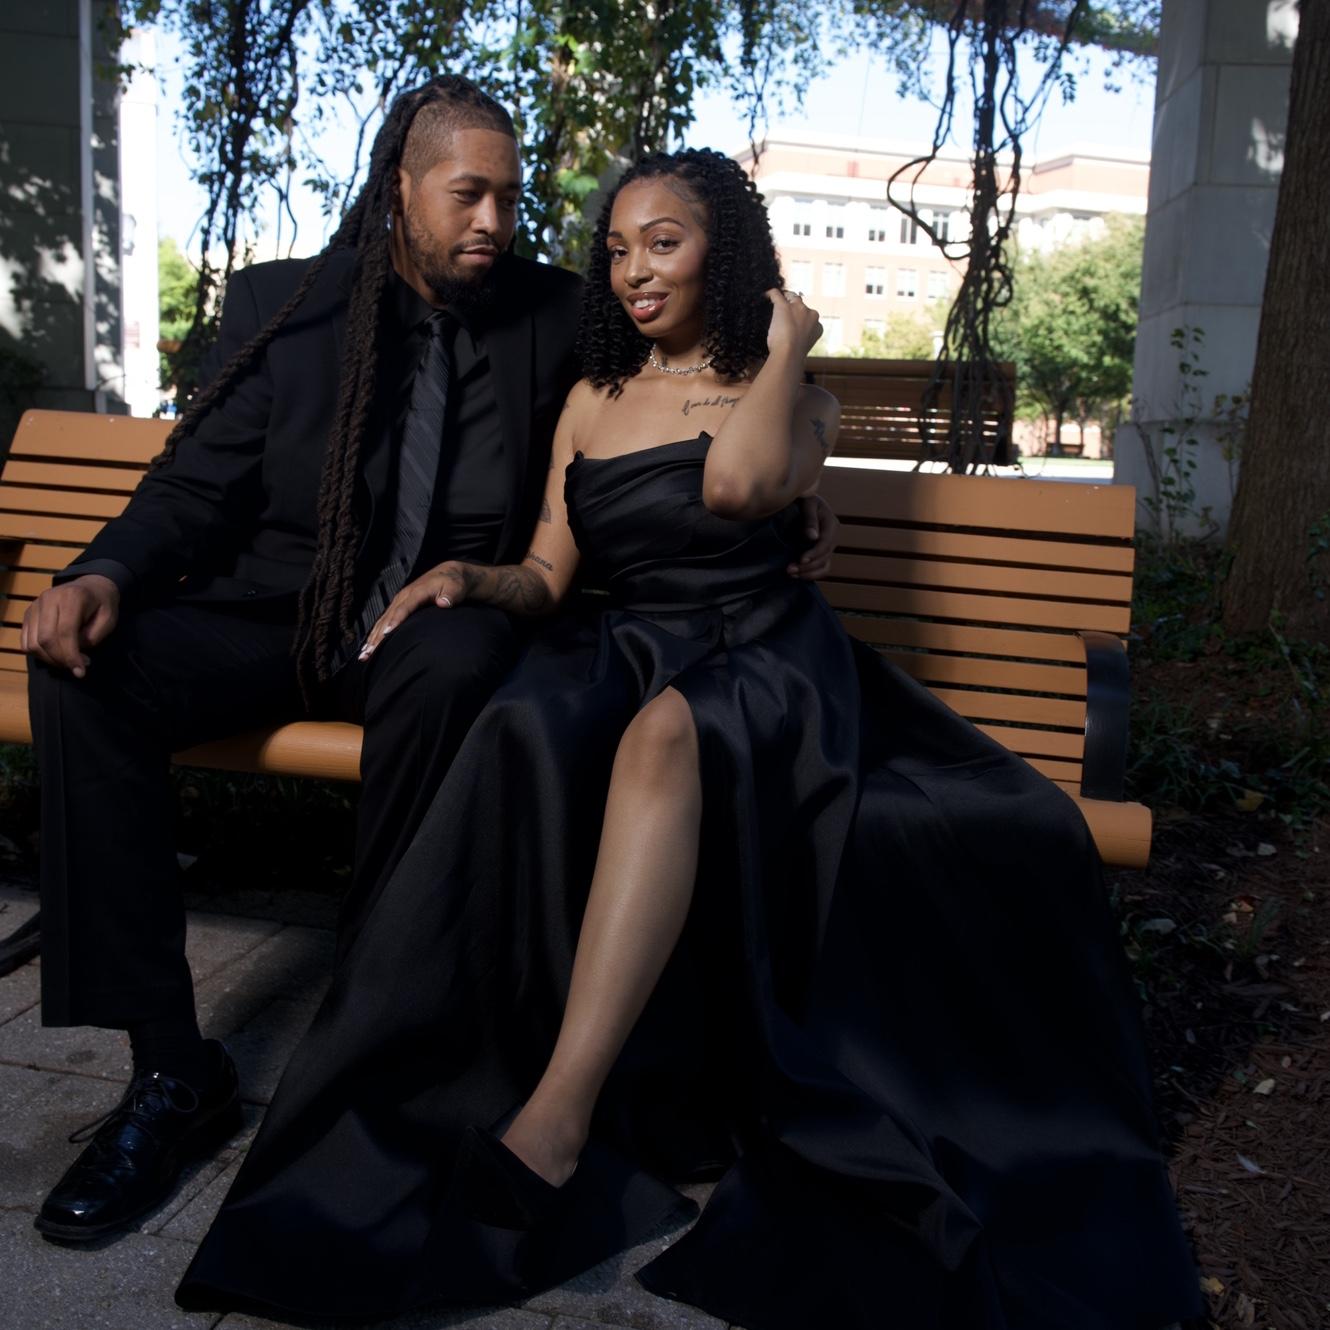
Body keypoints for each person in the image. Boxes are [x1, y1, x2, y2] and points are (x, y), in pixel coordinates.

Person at [176, 149, 1202, 1330]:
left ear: (728, 253)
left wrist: (787, 344)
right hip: (631, 641)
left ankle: (558, 1116)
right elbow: (548, 573)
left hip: (765, 655)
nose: (632, 271)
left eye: (662, 243)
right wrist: (469, 575)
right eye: (617, 249)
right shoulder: (591, 398)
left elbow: (736, 490)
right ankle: (443, 1049)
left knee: (664, 734)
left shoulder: (796, 394)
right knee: (525, 724)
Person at [13, 72, 842, 1247]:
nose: (493, 221)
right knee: (86, 672)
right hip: (282, 618)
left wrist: (802, 489)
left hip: (443, 616)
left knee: (452, 664)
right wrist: (102, 572)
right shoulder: (290, 305)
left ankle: (373, 1024)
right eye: (467, 195)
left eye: (509, 196)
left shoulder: (559, 311)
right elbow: (195, 485)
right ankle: (167, 1069)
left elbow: (696, 392)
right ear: (399, 189)